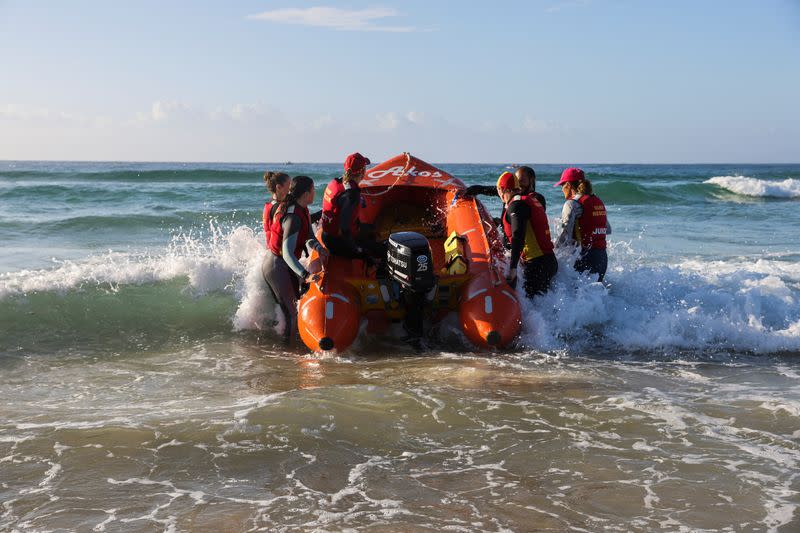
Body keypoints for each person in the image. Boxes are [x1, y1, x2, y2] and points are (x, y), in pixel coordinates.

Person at [262, 176, 328, 343]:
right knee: (292, 313)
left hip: (283, 265)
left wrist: (319, 249)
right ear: (306, 194)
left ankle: (286, 346)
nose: (315, 193)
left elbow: (308, 237)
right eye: (313, 190)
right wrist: (305, 275)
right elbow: (286, 252)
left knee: (291, 309)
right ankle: (287, 357)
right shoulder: (293, 217)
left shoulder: (302, 209)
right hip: (277, 266)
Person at [496, 172, 558, 297]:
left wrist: (513, 268)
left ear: (504, 190)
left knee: (533, 308)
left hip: (537, 266)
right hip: (548, 261)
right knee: (542, 305)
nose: (498, 194)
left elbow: (518, 235)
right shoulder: (526, 200)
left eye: (498, 190)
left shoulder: (516, 206)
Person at [320, 152, 384, 261]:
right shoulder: (352, 194)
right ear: (363, 171)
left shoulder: (335, 183)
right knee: (383, 249)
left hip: (326, 235)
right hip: (337, 242)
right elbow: (345, 229)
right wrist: (356, 249)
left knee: (373, 229)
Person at [554, 168, 611, 282]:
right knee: (596, 295)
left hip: (585, 257)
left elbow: (566, 236)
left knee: (579, 295)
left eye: (562, 186)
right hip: (602, 257)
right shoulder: (597, 201)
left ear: (569, 185)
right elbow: (607, 229)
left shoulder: (572, 204)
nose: (561, 190)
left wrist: (553, 251)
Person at [464, 165, 546, 210]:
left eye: (521, 181)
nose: (517, 185)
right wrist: (467, 191)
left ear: (531, 180)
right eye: (516, 181)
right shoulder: (509, 193)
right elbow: (483, 189)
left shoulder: (537, 199)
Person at [262, 171, 290, 247]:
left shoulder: (270, 204)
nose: (291, 187)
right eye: (289, 184)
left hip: (271, 249)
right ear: (279, 187)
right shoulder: (277, 208)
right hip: (278, 251)